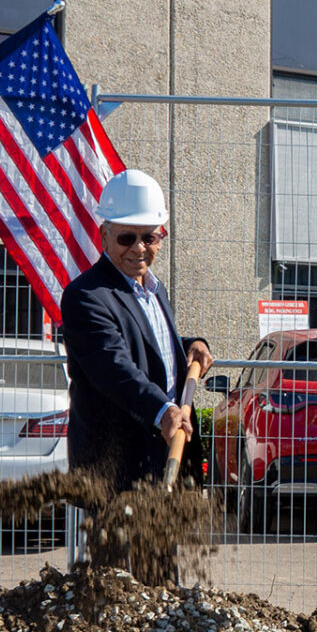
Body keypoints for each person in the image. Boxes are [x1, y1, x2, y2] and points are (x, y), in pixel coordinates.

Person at [61, 169, 213, 493]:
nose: (139, 248)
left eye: (149, 237)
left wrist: (190, 344)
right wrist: (164, 412)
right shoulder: (85, 297)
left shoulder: (155, 289)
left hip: (164, 462)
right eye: (126, 237)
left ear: (162, 236)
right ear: (104, 235)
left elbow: (146, 345)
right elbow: (115, 368)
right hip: (116, 472)